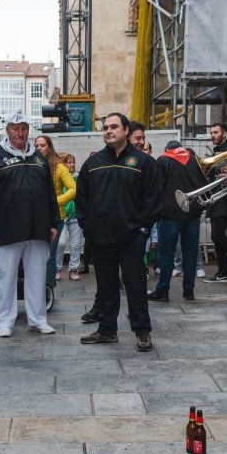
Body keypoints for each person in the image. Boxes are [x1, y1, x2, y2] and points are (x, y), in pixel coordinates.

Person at [75, 113, 162, 350]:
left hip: (132, 237)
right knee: (106, 286)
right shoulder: (93, 164)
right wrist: (87, 226)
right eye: (105, 128)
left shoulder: (143, 163)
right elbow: (81, 198)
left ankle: (142, 331)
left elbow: (154, 198)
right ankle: (106, 331)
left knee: (135, 286)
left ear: (125, 130)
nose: (108, 131)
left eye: (113, 127)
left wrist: (143, 229)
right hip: (100, 238)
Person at [0, 112, 58, 337]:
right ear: (7, 130)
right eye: (14, 128)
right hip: (5, 229)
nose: (19, 133)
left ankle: (38, 319)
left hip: (37, 229)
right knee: (4, 277)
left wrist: (53, 222)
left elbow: (50, 193)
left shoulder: (39, 158)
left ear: (29, 130)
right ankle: (4, 321)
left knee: (37, 275)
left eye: (23, 128)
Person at [149, 140, 205, 301]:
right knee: (190, 254)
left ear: (167, 149)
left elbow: (156, 187)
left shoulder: (163, 160)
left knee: (166, 255)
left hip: (169, 216)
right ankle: (189, 291)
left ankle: (163, 290)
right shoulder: (195, 161)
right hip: (192, 215)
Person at [34, 135, 76, 286]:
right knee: (35, 256)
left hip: (54, 218)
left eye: (42, 145)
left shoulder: (59, 167)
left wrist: (54, 202)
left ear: (49, 148)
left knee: (49, 256)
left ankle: (47, 288)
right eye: (36, 145)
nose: (39, 148)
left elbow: (73, 190)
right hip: (34, 217)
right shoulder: (32, 164)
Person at [203, 122, 227, 283]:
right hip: (216, 199)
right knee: (217, 236)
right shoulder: (217, 151)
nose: (213, 135)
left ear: (225, 134)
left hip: (225, 199)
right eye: (211, 133)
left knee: (217, 235)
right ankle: (222, 272)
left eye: (216, 132)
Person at [55, 153, 83, 281]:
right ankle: (57, 268)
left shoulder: (79, 178)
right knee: (60, 244)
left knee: (76, 245)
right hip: (61, 216)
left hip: (75, 216)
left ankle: (73, 269)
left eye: (73, 162)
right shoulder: (58, 176)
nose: (72, 165)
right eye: (69, 162)